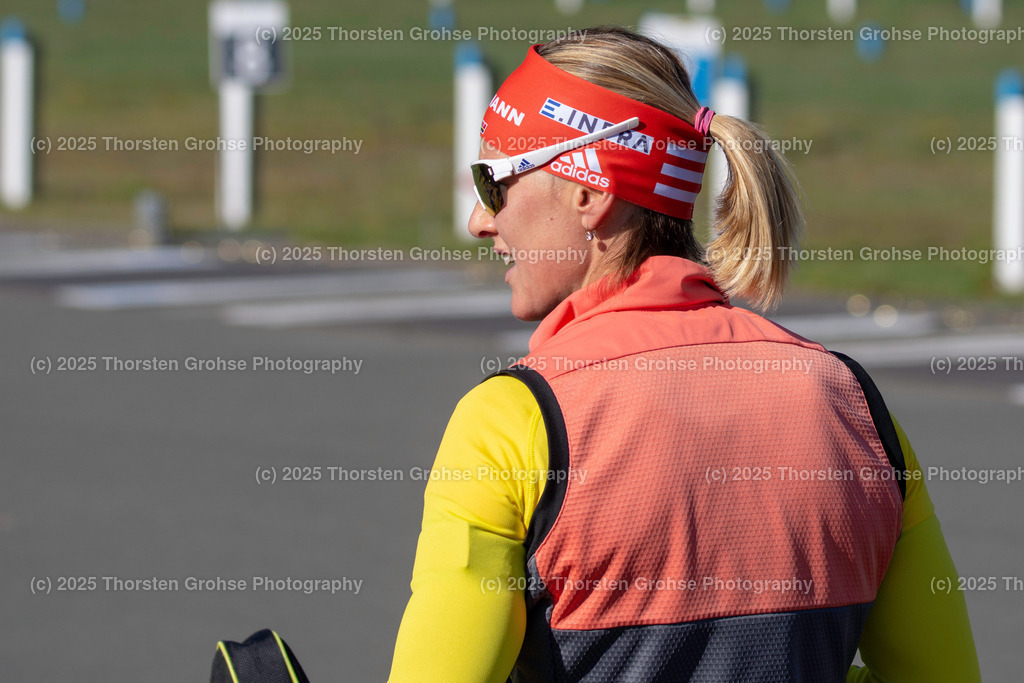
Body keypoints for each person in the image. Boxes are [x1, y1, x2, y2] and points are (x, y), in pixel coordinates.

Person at [388, 26, 981, 682]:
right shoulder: (853, 402)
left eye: (494, 181)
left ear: (590, 193)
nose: (479, 218)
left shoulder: (510, 421)